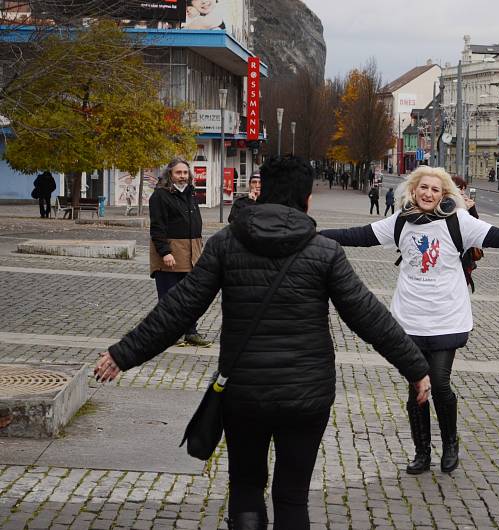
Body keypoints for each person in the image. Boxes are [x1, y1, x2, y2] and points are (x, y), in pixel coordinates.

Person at [95, 156, 431, 530]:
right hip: (306, 395)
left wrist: (122, 354)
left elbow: (179, 307)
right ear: (306, 201)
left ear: (260, 194)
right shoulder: (324, 252)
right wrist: (416, 368)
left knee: (246, 486)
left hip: (244, 393)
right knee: (291, 495)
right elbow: (369, 316)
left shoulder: (226, 244)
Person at [320, 166, 499, 475]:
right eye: (424, 188)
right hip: (409, 319)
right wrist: (317, 235)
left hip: (447, 317)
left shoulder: (458, 222)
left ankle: (450, 445)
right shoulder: (400, 222)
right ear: (413, 190)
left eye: (435, 189)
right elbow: (360, 235)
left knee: (441, 383)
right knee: (416, 388)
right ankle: (422, 452)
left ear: (444, 195)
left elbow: (497, 236)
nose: (428, 193)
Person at [148, 158, 211, 347]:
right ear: (170, 174)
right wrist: (165, 252)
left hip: (192, 253)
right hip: (171, 253)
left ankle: (191, 332)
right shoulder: (160, 196)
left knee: (190, 296)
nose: (182, 176)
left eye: (185, 173)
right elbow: (157, 228)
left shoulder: (191, 193)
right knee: (169, 297)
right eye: (178, 173)